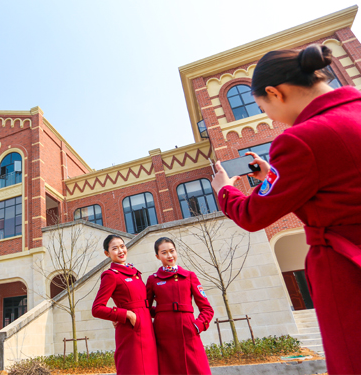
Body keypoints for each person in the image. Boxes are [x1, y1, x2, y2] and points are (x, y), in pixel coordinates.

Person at [210, 44, 361, 375]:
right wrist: (272, 177)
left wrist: (224, 190)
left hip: (349, 270)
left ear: (274, 93)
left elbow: (254, 215)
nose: (267, 116)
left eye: (262, 106)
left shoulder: (301, 140)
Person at [146, 237, 214, 375]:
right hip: (163, 333)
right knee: (168, 369)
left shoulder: (189, 276)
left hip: (188, 330)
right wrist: (161, 313)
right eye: (164, 252)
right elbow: (145, 307)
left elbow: (207, 308)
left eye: (172, 251)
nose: (169, 255)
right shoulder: (153, 280)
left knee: (197, 369)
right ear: (157, 256)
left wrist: (198, 325)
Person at [92, 235, 157, 375]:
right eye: (115, 248)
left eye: (122, 246)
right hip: (131, 331)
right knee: (135, 369)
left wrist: (165, 311)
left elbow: (143, 305)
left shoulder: (135, 273)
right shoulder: (111, 275)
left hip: (147, 329)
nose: (121, 251)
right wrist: (125, 314)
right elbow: (97, 309)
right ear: (107, 253)